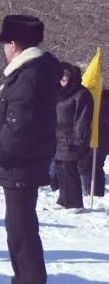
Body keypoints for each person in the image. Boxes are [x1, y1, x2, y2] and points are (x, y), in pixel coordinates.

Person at [0, 15, 61, 284]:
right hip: (22, 163)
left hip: (20, 164)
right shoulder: (32, 71)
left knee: (23, 231)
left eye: (6, 44)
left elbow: (20, 126)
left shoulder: (30, 75)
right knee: (17, 228)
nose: (4, 49)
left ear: (14, 44)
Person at [54, 63, 93, 209]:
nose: (63, 79)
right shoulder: (59, 92)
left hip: (71, 137)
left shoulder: (81, 94)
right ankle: (63, 200)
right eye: (61, 76)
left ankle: (75, 203)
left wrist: (78, 140)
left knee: (69, 169)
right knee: (60, 169)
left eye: (66, 76)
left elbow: (82, 120)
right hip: (57, 136)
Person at [79, 87, 109, 197]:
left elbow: (101, 120)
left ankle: (92, 192)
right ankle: (96, 192)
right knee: (95, 165)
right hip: (100, 138)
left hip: (99, 138)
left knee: (88, 164)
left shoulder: (102, 101)